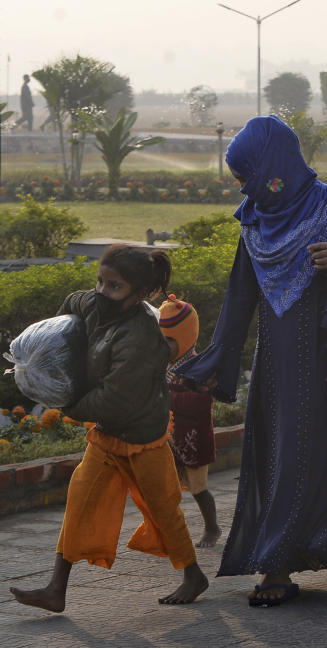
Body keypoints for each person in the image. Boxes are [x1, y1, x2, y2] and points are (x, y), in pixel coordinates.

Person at [175, 115, 327, 607]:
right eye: (239, 178)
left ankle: (277, 567)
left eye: (248, 174)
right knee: (281, 454)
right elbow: (239, 298)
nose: (245, 186)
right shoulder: (254, 217)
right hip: (276, 367)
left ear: (275, 165)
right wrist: (215, 361)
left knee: (317, 452)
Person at [9, 245, 209, 612]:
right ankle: (56, 589)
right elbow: (75, 302)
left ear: (141, 294)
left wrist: (66, 404)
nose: (102, 291)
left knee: (162, 509)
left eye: (114, 286)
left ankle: (193, 574)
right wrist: (56, 344)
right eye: (100, 281)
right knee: (80, 501)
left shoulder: (141, 338)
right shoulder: (96, 305)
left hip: (142, 437)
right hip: (107, 436)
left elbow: (114, 399)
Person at [159, 294, 220, 548]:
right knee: (164, 488)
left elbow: (203, 401)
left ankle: (212, 527)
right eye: (162, 340)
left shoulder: (198, 366)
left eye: (171, 340)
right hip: (168, 436)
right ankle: (167, 532)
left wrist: (170, 396)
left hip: (193, 437)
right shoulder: (163, 363)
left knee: (198, 488)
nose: (166, 346)